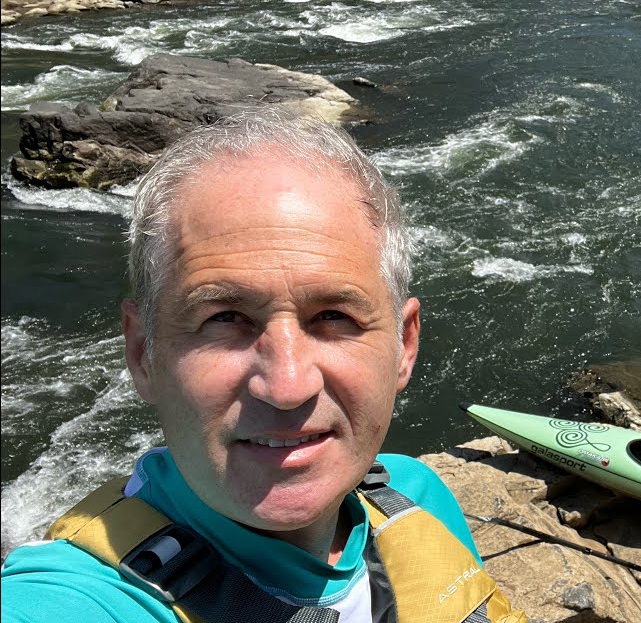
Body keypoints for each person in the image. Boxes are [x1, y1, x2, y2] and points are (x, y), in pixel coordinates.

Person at [0, 113, 525, 623]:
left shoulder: (416, 495)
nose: (287, 385)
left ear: (404, 346)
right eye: (224, 317)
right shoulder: (77, 599)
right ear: (143, 353)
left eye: (334, 317)